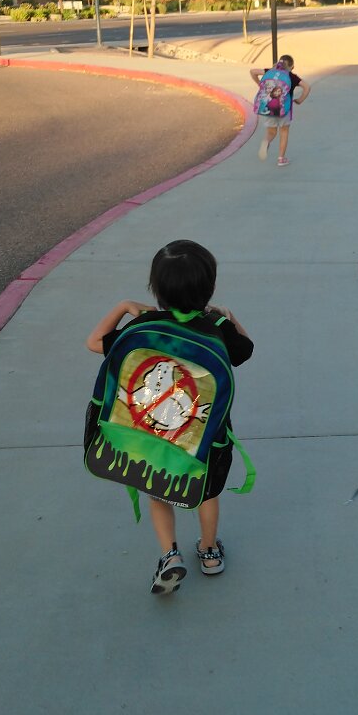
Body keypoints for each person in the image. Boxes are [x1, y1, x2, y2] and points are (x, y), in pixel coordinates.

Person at [85, 239, 254, 595]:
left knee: (158, 493)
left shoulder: (143, 325)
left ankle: (169, 555)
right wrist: (227, 315)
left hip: (152, 438)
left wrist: (124, 307)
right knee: (205, 494)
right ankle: (209, 552)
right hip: (203, 440)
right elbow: (245, 349)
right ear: (210, 287)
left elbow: (94, 342)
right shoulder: (216, 327)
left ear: (156, 289)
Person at [250, 54, 310, 167]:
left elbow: (253, 71)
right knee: (284, 132)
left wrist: (259, 84)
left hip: (268, 108)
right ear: (292, 67)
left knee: (271, 132)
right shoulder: (292, 76)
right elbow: (307, 87)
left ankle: (266, 142)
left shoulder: (270, 71)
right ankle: (281, 159)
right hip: (284, 110)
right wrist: (300, 100)